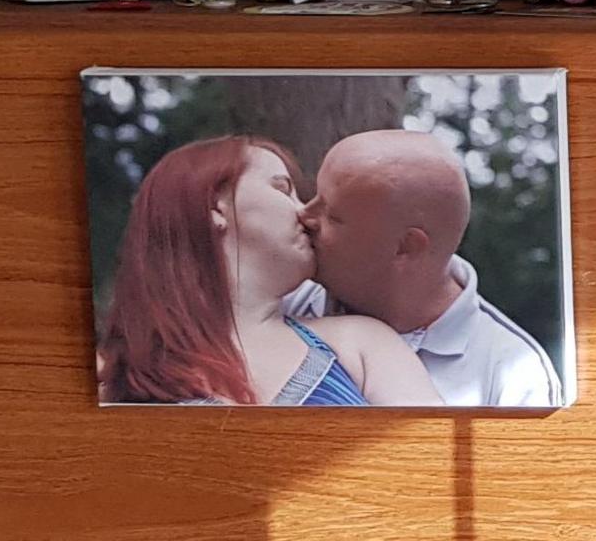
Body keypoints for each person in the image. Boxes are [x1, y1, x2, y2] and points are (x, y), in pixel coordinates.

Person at [97, 136, 443, 407]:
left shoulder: (362, 343)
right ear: (213, 207)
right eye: (282, 188)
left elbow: (434, 470)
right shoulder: (114, 378)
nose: (306, 214)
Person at [286, 128, 565, 409]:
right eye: (315, 196)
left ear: (406, 246)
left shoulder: (512, 375)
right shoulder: (278, 300)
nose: (304, 215)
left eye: (332, 216)